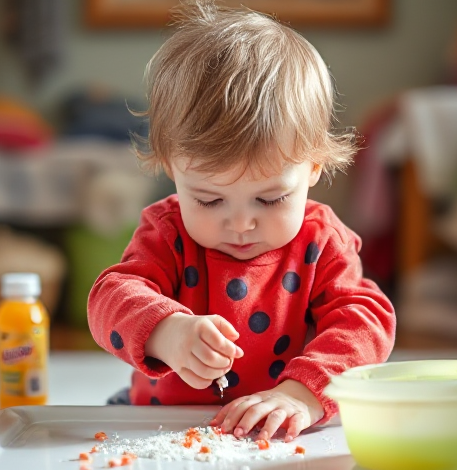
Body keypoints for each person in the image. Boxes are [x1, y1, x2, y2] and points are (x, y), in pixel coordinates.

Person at [87, 0, 396, 443]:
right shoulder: (167, 230)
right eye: (209, 201)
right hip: (160, 429)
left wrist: (301, 395)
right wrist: (166, 332)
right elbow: (108, 298)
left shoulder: (320, 241)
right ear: (173, 169)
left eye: (270, 199)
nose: (241, 224)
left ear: (313, 168)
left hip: (283, 430)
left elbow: (365, 322)